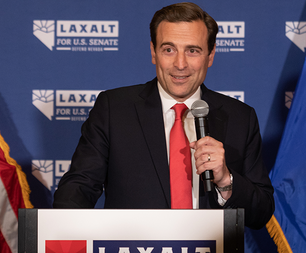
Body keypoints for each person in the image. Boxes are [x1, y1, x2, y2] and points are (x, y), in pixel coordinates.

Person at [53, 2, 274, 229]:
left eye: (192, 51)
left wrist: (226, 180)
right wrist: (60, 235)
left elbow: (261, 212)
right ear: (153, 52)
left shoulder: (240, 118)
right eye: (169, 49)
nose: (180, 64)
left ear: (210, 55)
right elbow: (80, 186)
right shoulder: (114, 109)